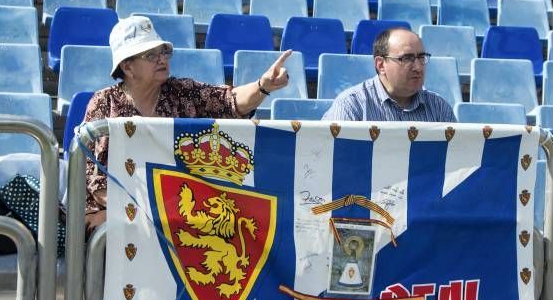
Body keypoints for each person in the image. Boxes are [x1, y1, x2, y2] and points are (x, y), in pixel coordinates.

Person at [83, 15, 291, 231]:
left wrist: (263, 86)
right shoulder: (103, 103)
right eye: (150, 55)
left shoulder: (181, 91)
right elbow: (96, 180)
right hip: (115, 209)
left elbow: (229, 102)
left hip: (173, 210)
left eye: (164, 52)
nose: (162, 59)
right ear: (127, 67)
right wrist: (141, 211)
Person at [322, 28, 455, 122]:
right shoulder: (351, 106)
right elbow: (330, 157)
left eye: (421, 57)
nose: (418, 67)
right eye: (407, 58)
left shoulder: (438, 108)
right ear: (381, 65)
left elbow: (458, 158)